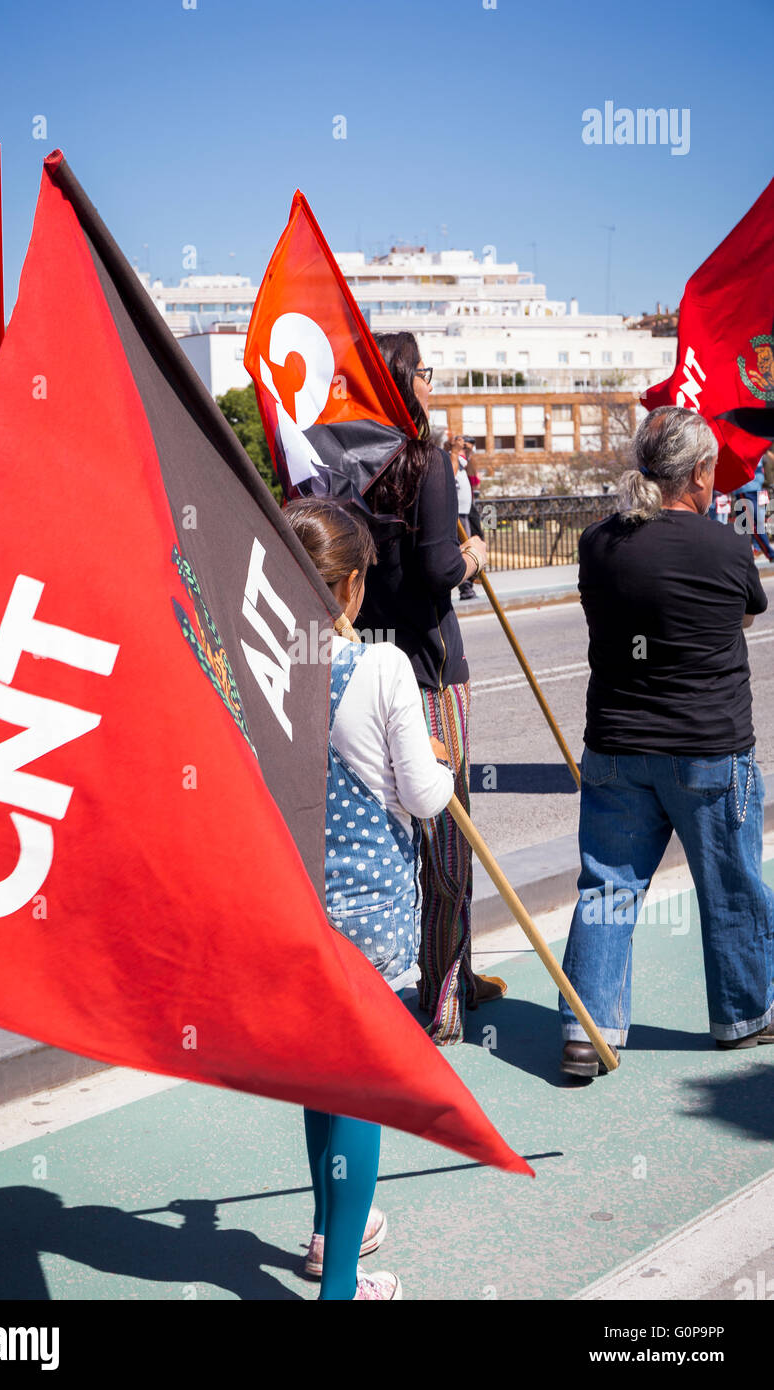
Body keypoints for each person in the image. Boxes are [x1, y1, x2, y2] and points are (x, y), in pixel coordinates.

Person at [560, 405, 774, 1077]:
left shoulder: (599, 543)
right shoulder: (728, 549)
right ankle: (742, 1019)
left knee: (606, 889)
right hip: (710, 751)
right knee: (732, 886)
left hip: (617, 748)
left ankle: (585, 1029)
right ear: (702, 474)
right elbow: (743, 610)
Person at [286, 496, 456, 1299]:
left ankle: (329, 1236)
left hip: (293, 904)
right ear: (352, 586)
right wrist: (446, 764)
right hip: (372, 911)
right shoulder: (382, 667)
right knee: (363, 1089)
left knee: (321, 1078)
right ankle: (342, 1287)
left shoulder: (267, 666)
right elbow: (423, 797)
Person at [357, 332, 504, 1045]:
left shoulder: (348, 465)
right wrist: (474, 552)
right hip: (434, 672)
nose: (433, 383)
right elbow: (443, 567)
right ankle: (445, 992)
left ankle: (457, 970)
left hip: (367, 666)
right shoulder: (427, 462)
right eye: (427, 371)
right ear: (407, 379)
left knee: (393, 825)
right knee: (448, 830)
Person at [449, 434, 484, 601]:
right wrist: (457, 451)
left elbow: (475, 480)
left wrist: (468, 453)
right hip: (457, 513)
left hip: (466, 510)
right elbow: (452, 472)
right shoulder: (453, 458)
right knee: (464, 548)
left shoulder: (465, 462)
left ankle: (470, 583)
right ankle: (465, 588)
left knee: (473, 543)